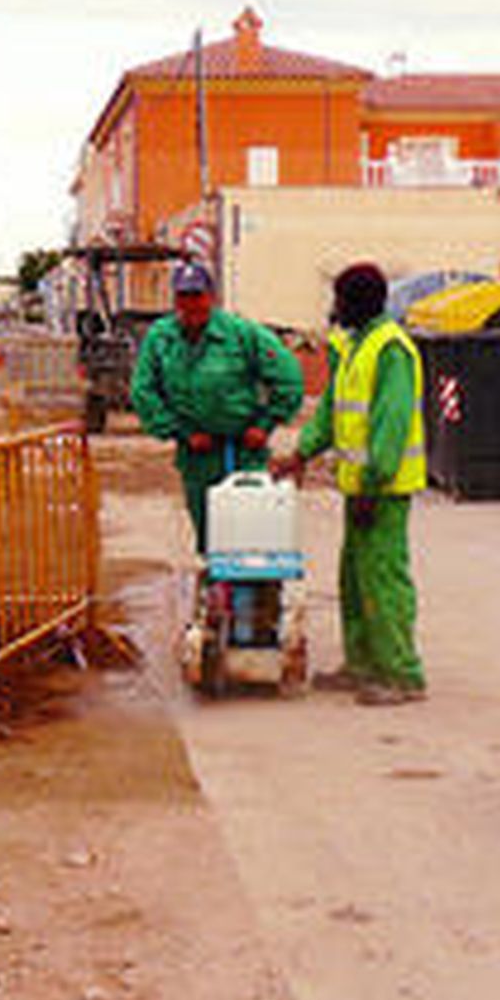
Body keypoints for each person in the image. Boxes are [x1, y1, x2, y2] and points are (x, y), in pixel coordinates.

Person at [273, 262, 427, 705]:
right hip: (359, 488)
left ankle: (402, 674)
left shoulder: (390, 350)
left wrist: (373, 487)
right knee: (355, 580)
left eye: (340, 299)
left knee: (383, 580)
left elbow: (390, 425)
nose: (334, 308)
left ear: (359, 303)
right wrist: (301, 453)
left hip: (382, 490)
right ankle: (362, 665)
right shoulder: (356, 347)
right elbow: (332, 412)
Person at [130, 262, 305, 552]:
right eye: (183, 297)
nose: (191, 304)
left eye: (197, 295)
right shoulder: (161, 338)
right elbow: (143, 391)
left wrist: (264, 425)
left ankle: (260, 591)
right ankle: (216, 586)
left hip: (245, 451)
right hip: (198, 455)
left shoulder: (241, 333)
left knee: (254, 533)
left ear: (211, 297)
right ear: (174, 301)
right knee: (210, 535)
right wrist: (182, 432)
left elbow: (289, 379)